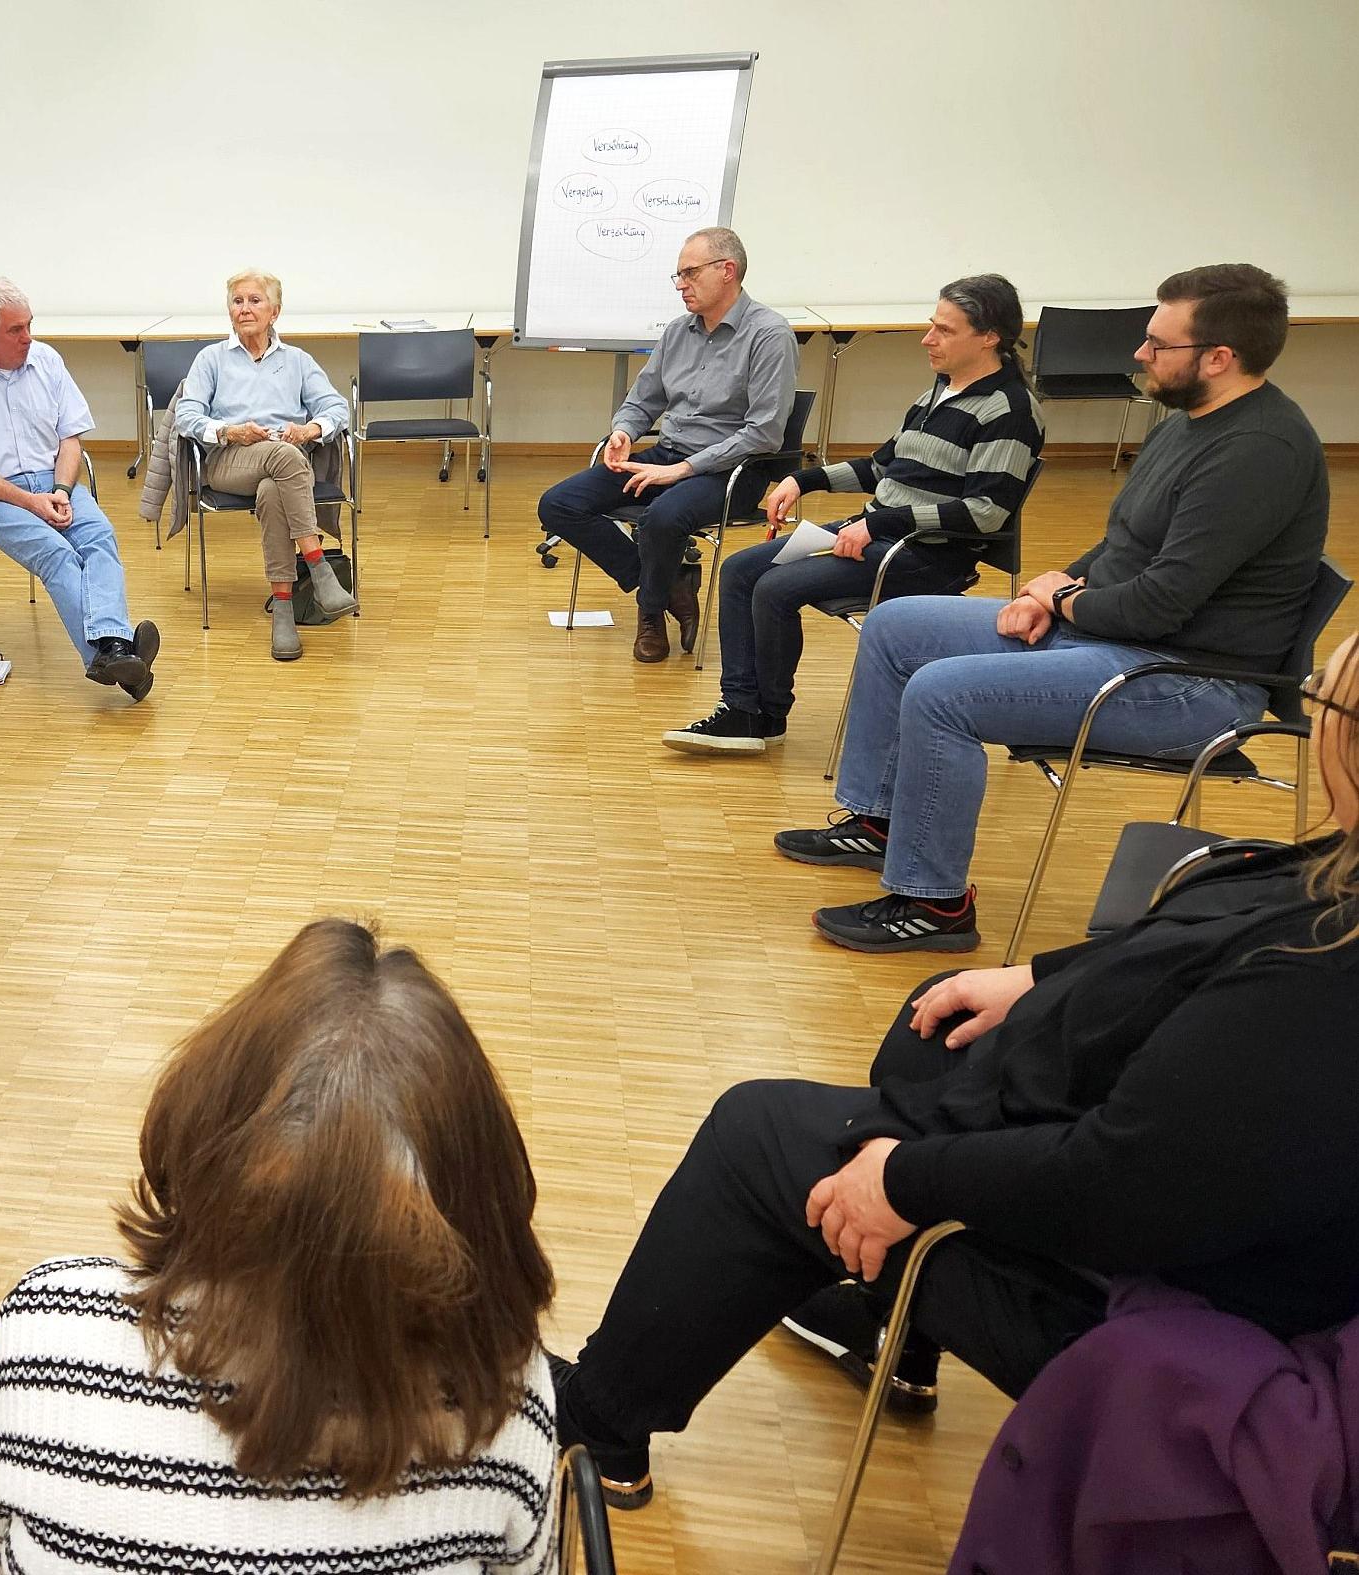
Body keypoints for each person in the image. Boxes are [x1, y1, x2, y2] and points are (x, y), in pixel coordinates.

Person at [551, 626, 1359, 1513]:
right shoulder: (1334, 899)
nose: (1312, 702)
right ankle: (889, 1322)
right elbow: (1188, 961)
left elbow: (1123, 1187)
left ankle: (600, 1423)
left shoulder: (1321, 987)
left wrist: (906, 1180)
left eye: (1326, 699)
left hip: (1163, 1322)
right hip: (1165, 1193)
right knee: (933, 1026)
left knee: (757, 1134)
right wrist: (1041, 980)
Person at [0, 919, 558, 1573]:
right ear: (480, 1203)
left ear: (205, 1115)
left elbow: (1, 1550)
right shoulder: (502, 1402)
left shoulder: (45, 1327)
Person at [776, 263, 1329, 953]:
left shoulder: (1257, 452)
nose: (1139, 353)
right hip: (1119, 639)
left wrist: (1063, 602)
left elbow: (1160, 604)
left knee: (942, 694)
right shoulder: (1187, 421)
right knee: (893, 627)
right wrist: (1057, 583)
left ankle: (934, 902)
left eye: (1158, 344)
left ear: (1219, 357)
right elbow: (1123, 544)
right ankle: (880, 821)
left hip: (1188, 682)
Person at [663, 275, 1045, 755]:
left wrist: (879, 524)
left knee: (775, 587)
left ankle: (764, 715)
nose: (928, 339)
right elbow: (884, 466)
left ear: (989, 336)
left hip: (926, 555)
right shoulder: (939, 392)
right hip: (877, 533)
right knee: (741, 571)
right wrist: (805, 479)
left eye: (944, 330)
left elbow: (985, 514)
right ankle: (743, 708)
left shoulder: (1008, 411)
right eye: (932, 326)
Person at [534, 228, 800, 662]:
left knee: (661, 518)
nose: (681, 284)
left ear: (727, 271)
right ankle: (671, 585)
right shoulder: (678, 332)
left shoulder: (769, 335)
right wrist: (624, 432)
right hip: (668, 456)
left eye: (690, 273)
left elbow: (765, 433)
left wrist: (683, 470)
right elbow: (642, 401)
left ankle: (650, 612)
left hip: (731, 470)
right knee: (558, 504)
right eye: (677, 275)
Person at [0, 278, 160, 700]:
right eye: (16, 330)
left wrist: (62, 490)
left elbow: (70, 439)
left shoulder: (46, 359)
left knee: (99, 537)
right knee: (56, 554)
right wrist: (31, 501)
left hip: (54, 484)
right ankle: (115, 654)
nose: (28, 337)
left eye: (30, 325)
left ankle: (114, 653)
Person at [170, 270, 357, 662]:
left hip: (282, 467)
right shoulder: (212, 360)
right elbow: (186, 416)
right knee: (285, 459)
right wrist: (230, 432)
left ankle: (284, 612)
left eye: (254, 301)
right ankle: (317, 565)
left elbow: (337, 407)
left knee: (274, 488)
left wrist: (309, 429)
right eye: (237, 301)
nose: (245, 309)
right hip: (228, 460)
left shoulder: (297, 361)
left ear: (275, 311)